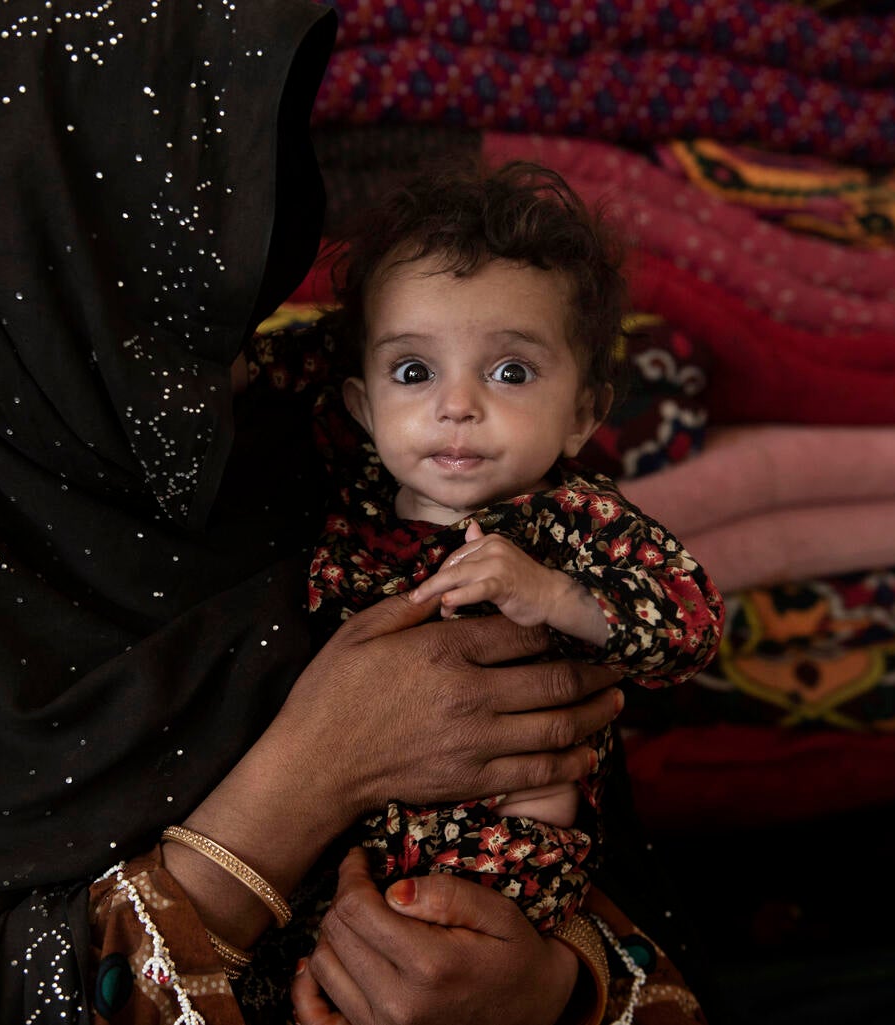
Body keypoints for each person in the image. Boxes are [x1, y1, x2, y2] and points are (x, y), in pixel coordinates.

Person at [0, 2, 711, 1024]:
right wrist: (298, 789)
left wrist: (549, 987)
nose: (207, 263)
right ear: (3, 212)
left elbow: (589, 860)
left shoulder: (324, 446)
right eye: (141, 196)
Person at [234, 164, 722, 973]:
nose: (455, 405)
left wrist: (555, 595)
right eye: (415, 372)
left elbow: (691, 624)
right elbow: (282, 363)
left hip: (502, 861)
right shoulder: (352, 493)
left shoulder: (573, 521)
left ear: (583, 415)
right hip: (342, 846)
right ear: (362, 405)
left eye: (511, 372)